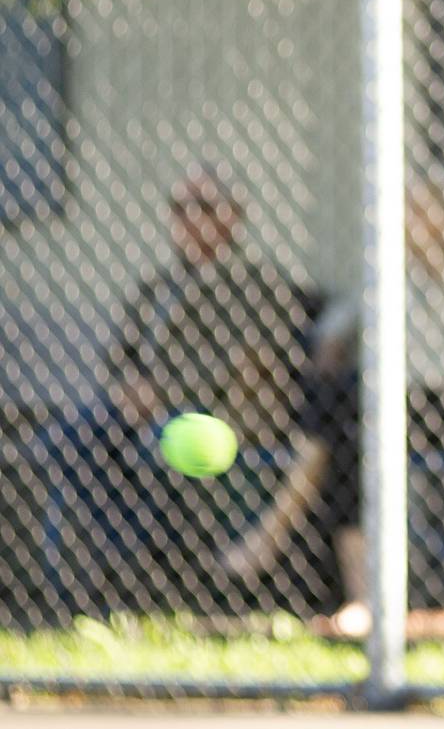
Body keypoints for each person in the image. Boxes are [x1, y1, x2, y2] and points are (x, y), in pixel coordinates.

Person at [103, 163, 323, 614]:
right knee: (69, 442)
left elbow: (249, 361)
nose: (187, 219)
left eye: (201, 206)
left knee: (140, 452)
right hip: (137, 416)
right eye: (178, 207)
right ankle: (99, 588)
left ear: (233, 216)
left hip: (219, 423)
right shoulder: (159, 287)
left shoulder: (257, 285)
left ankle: (175, 589)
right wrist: (126, 388)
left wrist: (160, 392)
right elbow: (120, 355)